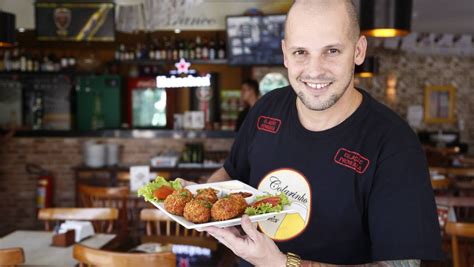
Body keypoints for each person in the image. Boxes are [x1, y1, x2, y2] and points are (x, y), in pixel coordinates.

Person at [181, 0, 444, 266]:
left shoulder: (395, 145)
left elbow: (401, 265)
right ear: (285, 53)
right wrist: (201, 197)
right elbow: (232, 174)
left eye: (331, 50)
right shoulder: (267, 109)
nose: (315, 70)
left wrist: (283, 264)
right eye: (300, 52)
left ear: (359, 51)